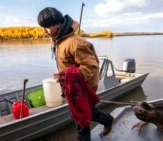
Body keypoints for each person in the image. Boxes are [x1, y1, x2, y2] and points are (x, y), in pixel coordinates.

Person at [37, 7, 114, 141]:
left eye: (46, 27)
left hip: (83, 86)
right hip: (72, 85)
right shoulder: (58, 39)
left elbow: (91, 66)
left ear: (56, 24)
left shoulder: (75, 43)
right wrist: (65, 77)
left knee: (81, 116)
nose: (44, 30)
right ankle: (108, 120)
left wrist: (70, 77)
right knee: (86, 112)